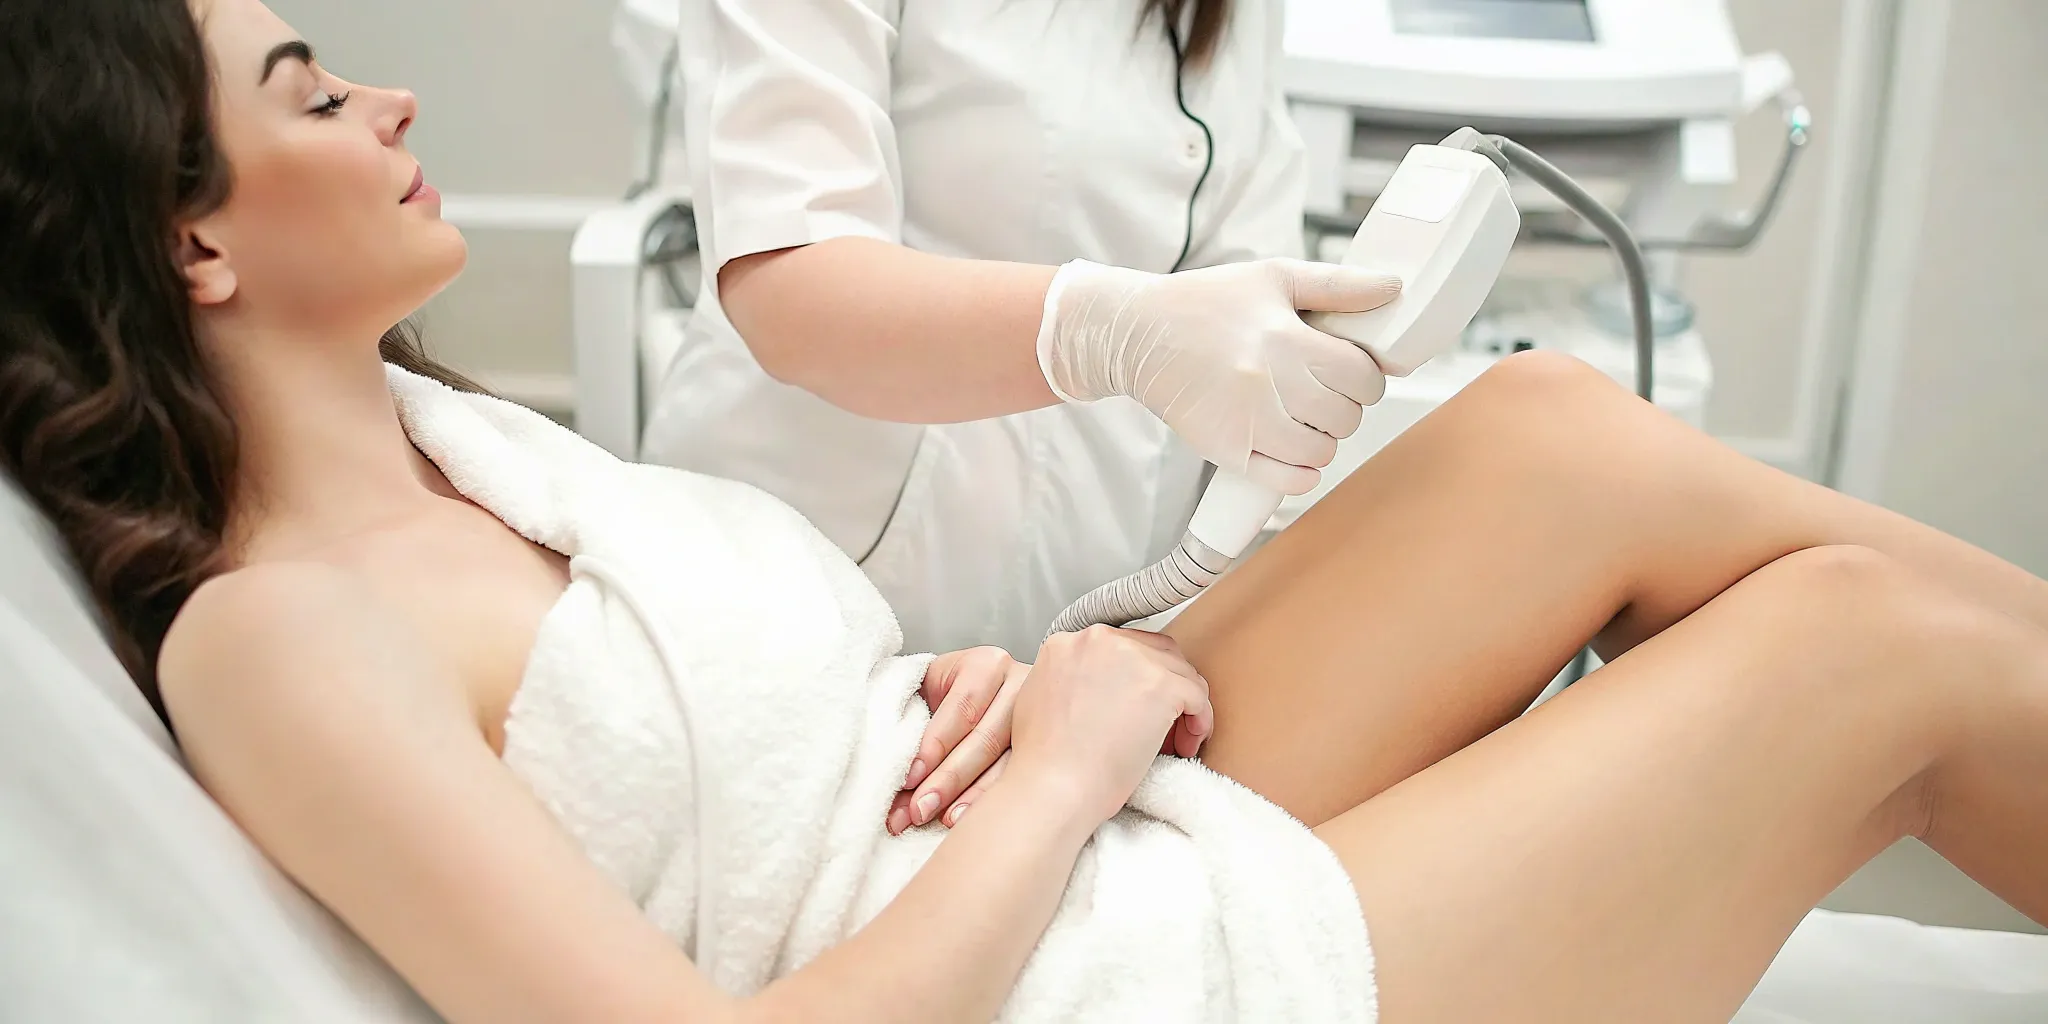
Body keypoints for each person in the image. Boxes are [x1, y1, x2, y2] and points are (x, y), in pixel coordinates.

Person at [4, 1, 2046, 1022]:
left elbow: (733, 757)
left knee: (1551, 431)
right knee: (1866, 646)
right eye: (305, 89)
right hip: (1043, 937)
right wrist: (1055, 783)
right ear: (189, 237)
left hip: (989, 795)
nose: (390, 104)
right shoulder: (277, 630)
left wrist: (985, 699)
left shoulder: (484, 465)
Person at [640, 0, 1403, 657]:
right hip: (798, 589)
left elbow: (1248, 260)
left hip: (1083, 637)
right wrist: (1102, 332)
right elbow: (792, 291)